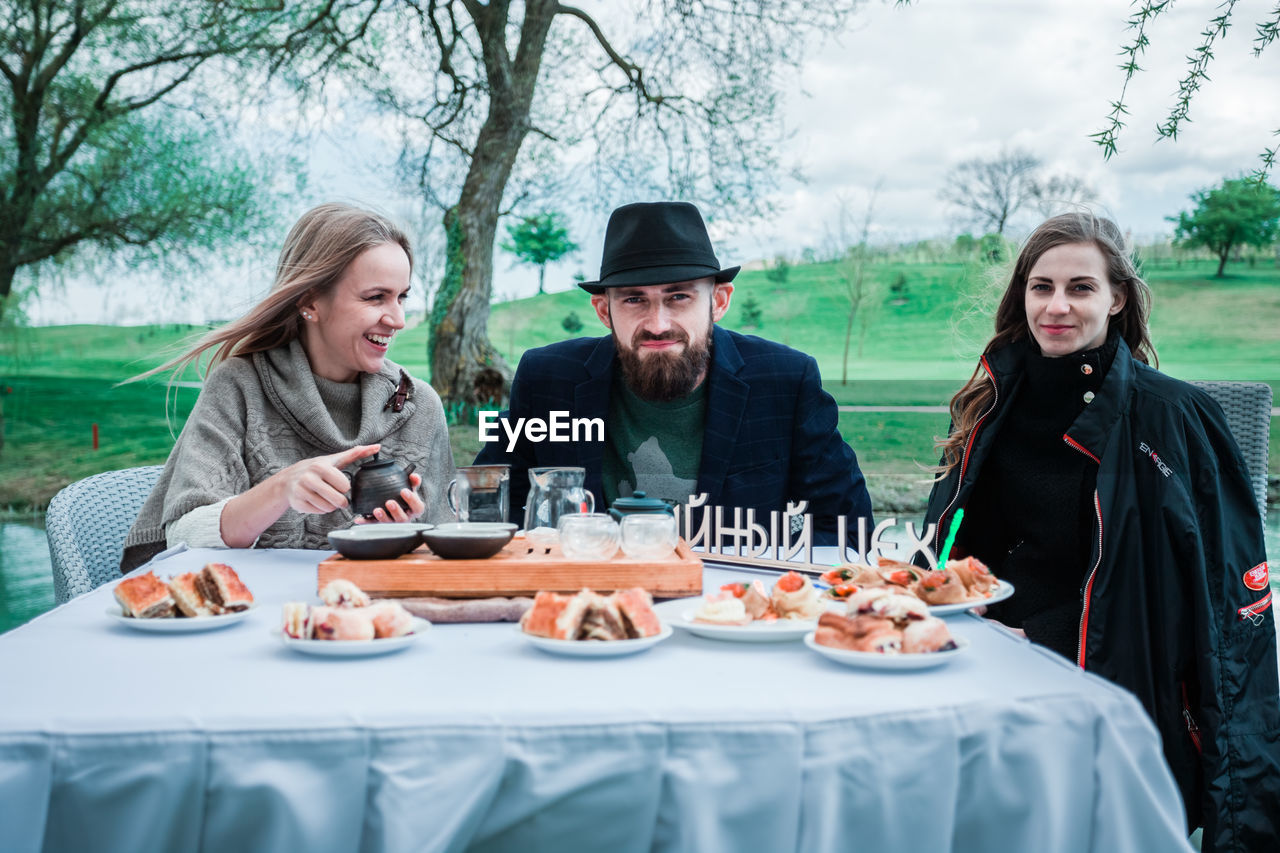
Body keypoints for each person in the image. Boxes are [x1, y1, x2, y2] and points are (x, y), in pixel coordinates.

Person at [922, 212, 1278, 851]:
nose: (1056, 306)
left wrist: (1043, 635)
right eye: (1041, 287)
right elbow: (965, 549)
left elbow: (1224, 610)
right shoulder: (990, 404)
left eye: (1080, 288)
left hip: (1116, 670)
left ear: (1117, 299)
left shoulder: (1177, 418)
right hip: (989, 644)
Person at [475, 200, 872, 543]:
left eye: (678, 296)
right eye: (634, 300)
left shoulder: (786, 380)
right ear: (603, 310)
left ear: (718, 301)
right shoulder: (547, 379)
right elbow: (487, 508)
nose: (658, 323)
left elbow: (848, 530)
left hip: (727, 609)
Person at [121, 203, 456, 571]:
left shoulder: (419, 405)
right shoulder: (239, 386)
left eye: (402, 296)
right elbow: (183, 537)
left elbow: (448, 551)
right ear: (309, 301)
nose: (398, 319)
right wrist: (281, 490)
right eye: (375, 297)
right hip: (253, 618)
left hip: (376, 619)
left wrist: (404, 537)